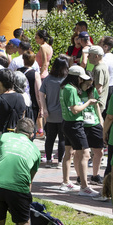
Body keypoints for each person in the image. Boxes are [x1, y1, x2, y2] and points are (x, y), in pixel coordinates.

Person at [59, 65, 97, 197]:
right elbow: (75, 109)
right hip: (75, 125)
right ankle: (84, 186)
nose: (82, 81)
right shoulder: (71, 89)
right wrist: (89, 103)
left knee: (69, 153)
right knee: (85, 154)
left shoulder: (64, 87)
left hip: (67, 123)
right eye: (81, 79)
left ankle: (66, 182)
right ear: (76, 78)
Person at [40, 56, 69, 166]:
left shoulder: (48, 79)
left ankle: (48, 160)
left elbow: (41, 94)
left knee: (50, 138)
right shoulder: (66, 79)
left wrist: (44, 108)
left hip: (50, 113)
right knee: (62, 138)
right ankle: (60, 161)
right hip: (63, 114)